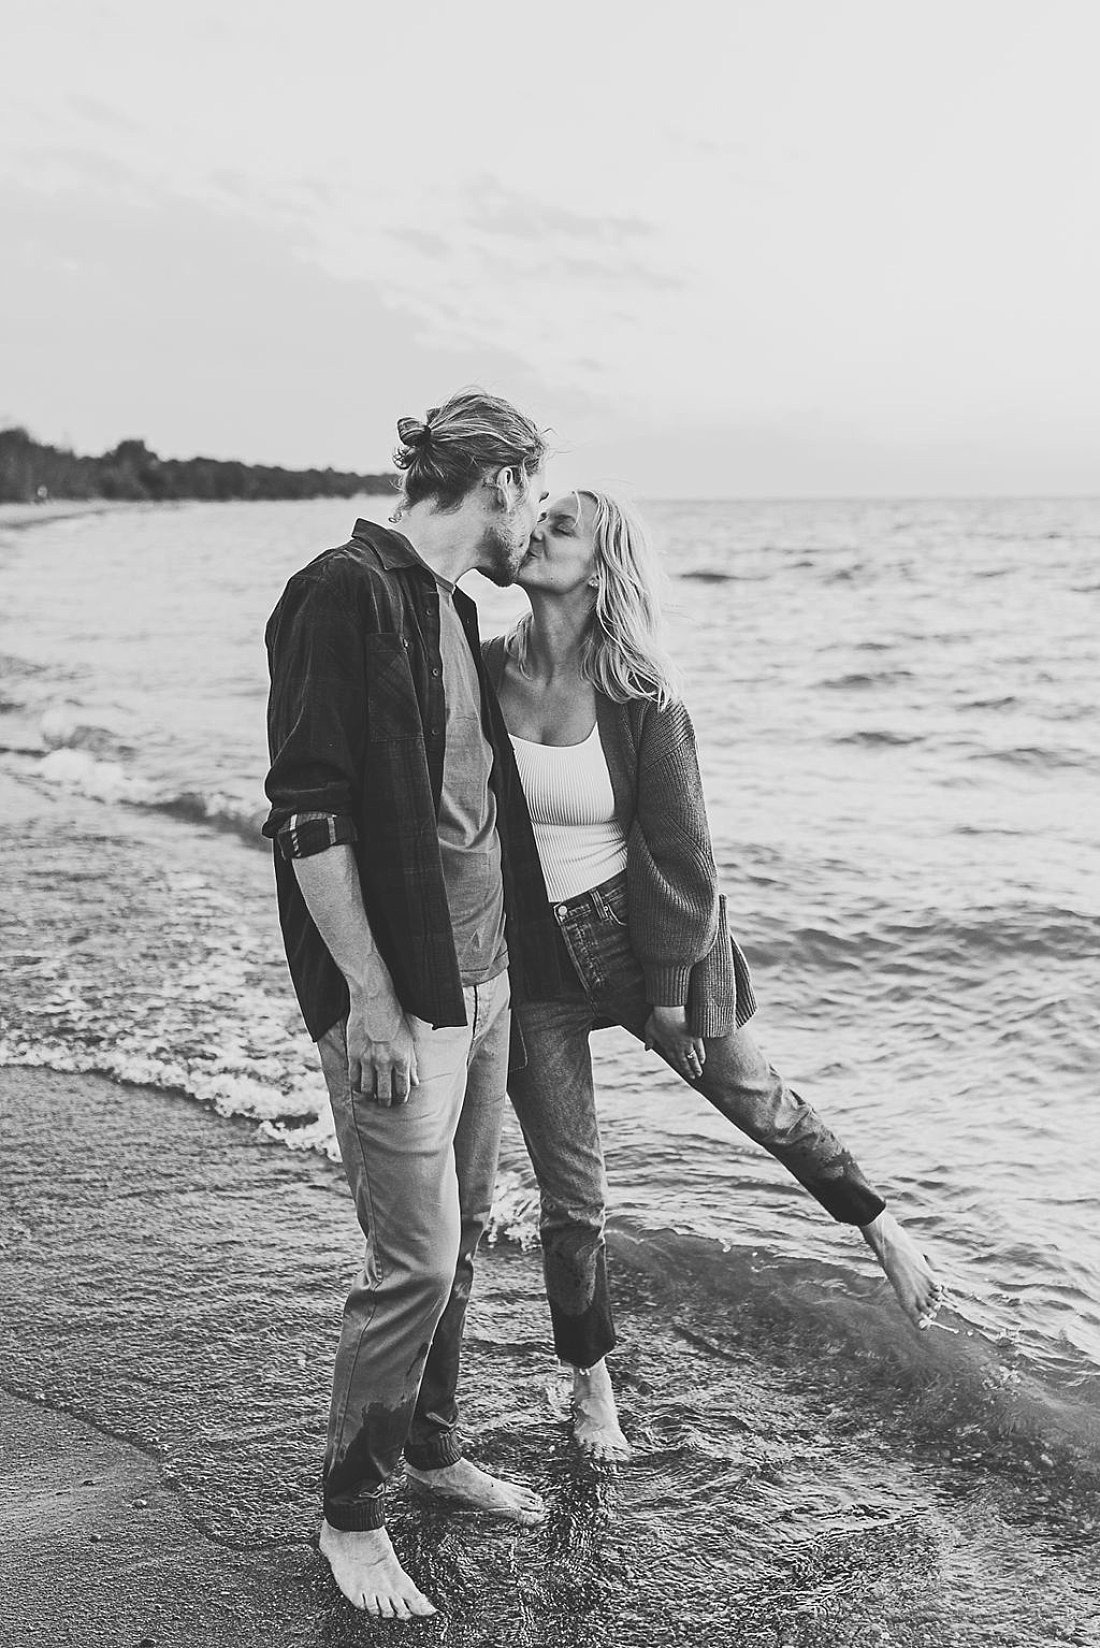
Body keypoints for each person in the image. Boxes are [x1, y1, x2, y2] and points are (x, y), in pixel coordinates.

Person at [483, 488, 945, 1462]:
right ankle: (590, 1384)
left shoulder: (643, 697)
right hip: (532, 966)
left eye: (559, 525)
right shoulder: (481, 674)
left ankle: (876, 1224)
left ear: (602, 566)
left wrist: (663, 994)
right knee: (572, 1197)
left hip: (648, 944)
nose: (534, 529)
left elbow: (684, 860)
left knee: (758, 1101)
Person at [263, 389, 564, 1620]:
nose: (533, 517)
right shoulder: (339, 590)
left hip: (484, 983)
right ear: (495, 480)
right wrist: (371, 1001)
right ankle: (348, 1510)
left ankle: (430, 1448)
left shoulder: (444, 603)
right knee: (416, 1258)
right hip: (403, 999)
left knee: (468, 1236)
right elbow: (308, 812)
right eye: (532, 492)